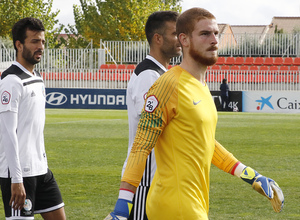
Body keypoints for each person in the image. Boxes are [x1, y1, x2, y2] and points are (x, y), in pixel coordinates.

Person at [105, 8, 284, 220]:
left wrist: (250, 175)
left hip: (193, 203)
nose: (214, 40)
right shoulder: (167, 84)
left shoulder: (200, 85)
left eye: (216, 33)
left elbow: (205, 141)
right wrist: (122, 207)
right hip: (176, 206)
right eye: (205, 34)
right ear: (184, 40)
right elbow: (141, 146)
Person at [0, 17, 66, 220]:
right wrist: (17, 179)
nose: (41, 47)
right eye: (35, 41)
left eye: (43, 42)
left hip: (41, 169)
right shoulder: (11, 81)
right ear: (19, 45)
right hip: (19, 175)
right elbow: (8, 134)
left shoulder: (36, 77)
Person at [122, 11, 181, 220]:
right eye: (175, 34)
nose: (180, 39)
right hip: (144, 177)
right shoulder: (149, 75)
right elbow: (149, 129)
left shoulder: (163, 73)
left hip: (159, 177)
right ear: (158, 38)